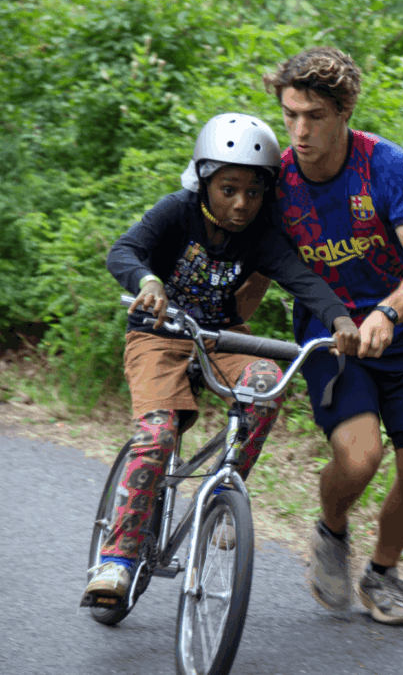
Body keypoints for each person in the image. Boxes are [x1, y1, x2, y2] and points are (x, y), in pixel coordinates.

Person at [82, 113, 360, 603]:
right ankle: (116, 561)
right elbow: (124, 252)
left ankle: (221, 495)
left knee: (265, 384)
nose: (241, 203)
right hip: (159, 333)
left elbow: (303, 280)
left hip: (222, 335)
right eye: (229, 188)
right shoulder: (176, 211)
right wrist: (149, 282)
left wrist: (340, 320)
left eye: (254, 192)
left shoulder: (261, 236)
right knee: (158, 432)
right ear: (204, 180)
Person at [262, 46, 403, 625]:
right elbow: (253, 268)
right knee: (360, 457)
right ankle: (332, 532)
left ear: (344, 112)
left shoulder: (385, 166)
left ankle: (384, 572)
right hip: (330, 337)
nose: (299, 130)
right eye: (290, 114)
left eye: (314, 116)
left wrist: (390, 315)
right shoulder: (275, 181)